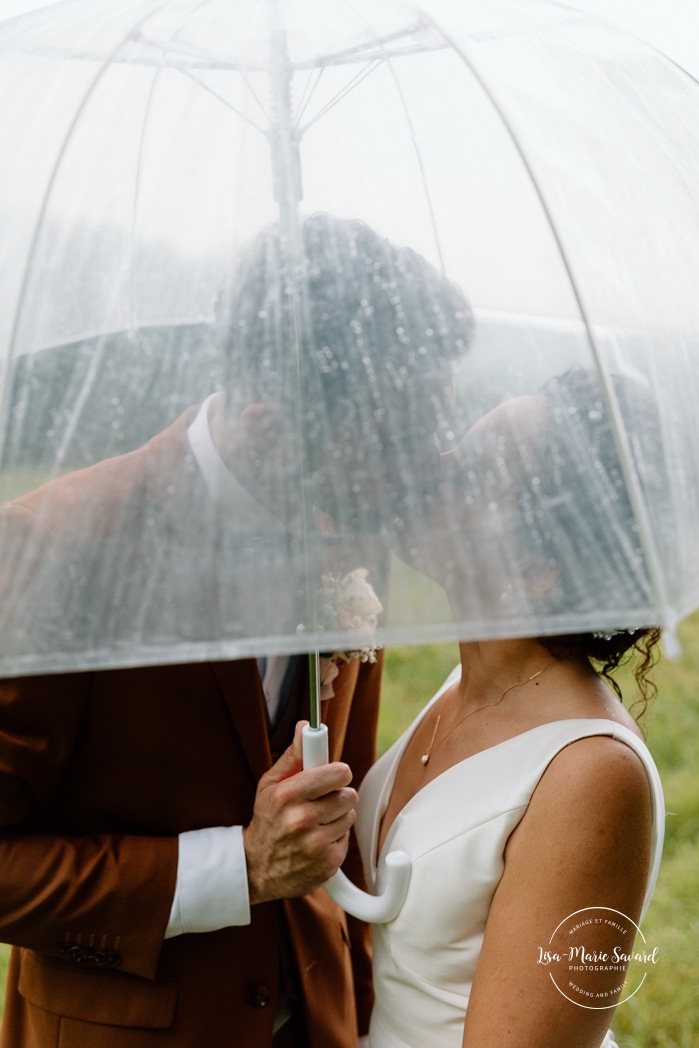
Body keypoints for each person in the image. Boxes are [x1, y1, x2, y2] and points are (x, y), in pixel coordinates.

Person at [0, 214, 473, 1048]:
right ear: (267, 424)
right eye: (394, 439)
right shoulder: (55, 547)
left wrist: (358, 1013)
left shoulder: (353, 520)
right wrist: (239, 868)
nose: (419, 469)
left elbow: (341, 809)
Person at [356, 366, 666, 1048]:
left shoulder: (590, 777)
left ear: (537, 568)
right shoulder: (458, 686)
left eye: (472, 473)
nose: (434, 470)